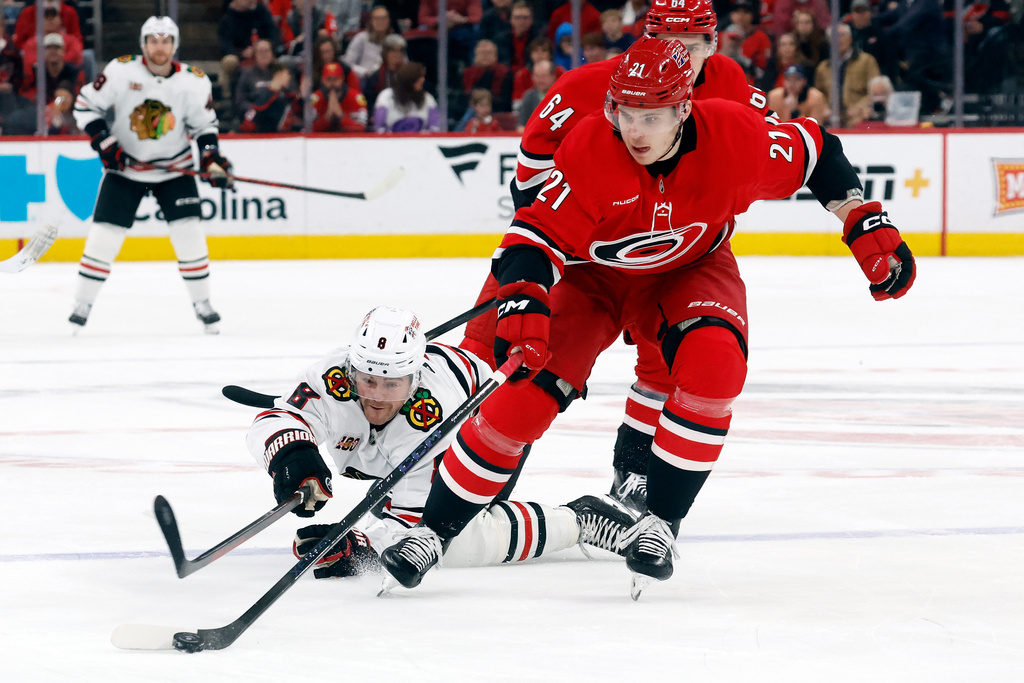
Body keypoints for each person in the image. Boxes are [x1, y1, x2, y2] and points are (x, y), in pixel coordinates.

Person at [380, 37, 915, 597]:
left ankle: (659, 521)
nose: (633, 131)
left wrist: (864, 223)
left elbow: (817, 150)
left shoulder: (736, 137)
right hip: (593, 279)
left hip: (690, 269)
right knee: (520, 398)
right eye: (625, 113)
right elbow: (533, 235)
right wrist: (523, 296)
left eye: (650, 117)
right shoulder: (591, 147)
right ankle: (434, 532)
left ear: (684, 109)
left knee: (715, 371)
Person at [247, 306, 637, 579]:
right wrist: (293, 453)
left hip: (487, 434)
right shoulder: (333, 376)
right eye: (367, 379)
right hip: (398, 459)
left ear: (416, 378)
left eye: (392, 384)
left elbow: (422, 524)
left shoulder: (434, 416)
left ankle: (578, 519)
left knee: (455, 540)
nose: (377, 396)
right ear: (352, 367)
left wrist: (364, 546)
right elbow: (278, 419)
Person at [70, 16, 230, 333]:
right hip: (126, 169)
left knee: (190, 235)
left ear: (175, 45)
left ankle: (202, 303)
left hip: (174, 169)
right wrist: (104, 141)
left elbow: (205, 126)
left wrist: (210, 156)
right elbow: (85, 106)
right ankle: (82, 303)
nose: (160, 47)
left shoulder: (194, 80)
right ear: (144, 44)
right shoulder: (120, 70)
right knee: (104, 236)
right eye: (153, 40)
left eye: (166, 40)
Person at [814, 23, 879, 127]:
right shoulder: (823, 68)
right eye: (834, 36)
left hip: (860, 119)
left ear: (850, 38)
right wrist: (825, 108)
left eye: (842, 35)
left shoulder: (866, 61)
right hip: (831, 121)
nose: (838, 39)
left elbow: (876, 91)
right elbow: (818, 95)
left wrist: (859, 108)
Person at [218, 0, 280, 100]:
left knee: (281, 62)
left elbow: (273, 35)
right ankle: (227, 98)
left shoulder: (261, 13)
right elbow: (225, 45)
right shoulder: (226, 19)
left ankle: (279, 94)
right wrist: (241, 53)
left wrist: (257, 49)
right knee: (229, 61)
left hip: (262, 51)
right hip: (239, 55)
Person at [372, 61, 440, 132]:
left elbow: (435, 127)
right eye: (419, 77)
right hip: (392, 141)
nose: (423, 80)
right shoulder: (386, 96)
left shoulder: (428, 98)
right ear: (409, 79)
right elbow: (378, 127)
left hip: (420, 141)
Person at [18, 32, 85, 103]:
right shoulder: (36, 71)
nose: (53, 51)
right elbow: (26, 94)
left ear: (63, 51)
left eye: (57, 48)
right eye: (49, 48)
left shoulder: (74, 72)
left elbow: (80, 96)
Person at [310, 62, 368, 132]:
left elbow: (361, 128)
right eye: (329, 79)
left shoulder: (356, 98)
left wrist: (341, 116)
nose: (332, 83)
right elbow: (309, 129)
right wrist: (327, 118)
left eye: (335, 79)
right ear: (323, 80)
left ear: (342, 78)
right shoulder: (315, 99)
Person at [343, 5, 392, 82]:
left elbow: (404, 63)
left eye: (383, 18)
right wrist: (365, 72)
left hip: (387, 81)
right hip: (365, 80)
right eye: (377, 19)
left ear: (388, 20)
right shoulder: (361, 38)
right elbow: (347, 63)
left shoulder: (393, 40)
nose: (380, 22)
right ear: (371, 21)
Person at [462, 39, 513, 113]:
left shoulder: (504, 72)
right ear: (476, 56)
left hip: (496, 109)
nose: (485, 56)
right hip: (472, 108)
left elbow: (505, 100)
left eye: (488, 53)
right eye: (482, 53)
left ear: (495, 56)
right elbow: (465, 96)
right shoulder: (469, 72)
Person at [516, 58, 557, 127]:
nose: (540, 80)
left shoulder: (561, 95)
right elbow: (521, 125)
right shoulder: (529, 96)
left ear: (552, 76)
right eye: (537, 76)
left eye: (543, 76)